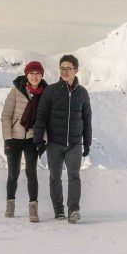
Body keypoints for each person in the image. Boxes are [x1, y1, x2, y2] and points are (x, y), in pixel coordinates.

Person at [32, 54, 93, 223]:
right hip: (54, 143)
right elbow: (41, 116)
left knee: (74, 176)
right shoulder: (51, 91)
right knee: (55, 177)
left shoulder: (82, 93)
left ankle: (73, 210)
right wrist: (39, 140)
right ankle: (58, 211)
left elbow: (87, 119)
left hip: (74, 144)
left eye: (68, 68)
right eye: (62, 68)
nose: (65, 71)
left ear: (76, 70)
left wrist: (87, 143)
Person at [0, 61, 49, 222]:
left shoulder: (46, 94)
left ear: (42, 75)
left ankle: (33, 209)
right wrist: (7, 138)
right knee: (13, 173)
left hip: (32, 138)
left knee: (31, 172)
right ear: (26, 75)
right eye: (32, 73)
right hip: (14, 137)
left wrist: (43, 140)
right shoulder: (15, 92)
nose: (34, 76)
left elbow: (47, 121)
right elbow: (6, 116)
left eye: (37, 73)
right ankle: (10, 204)